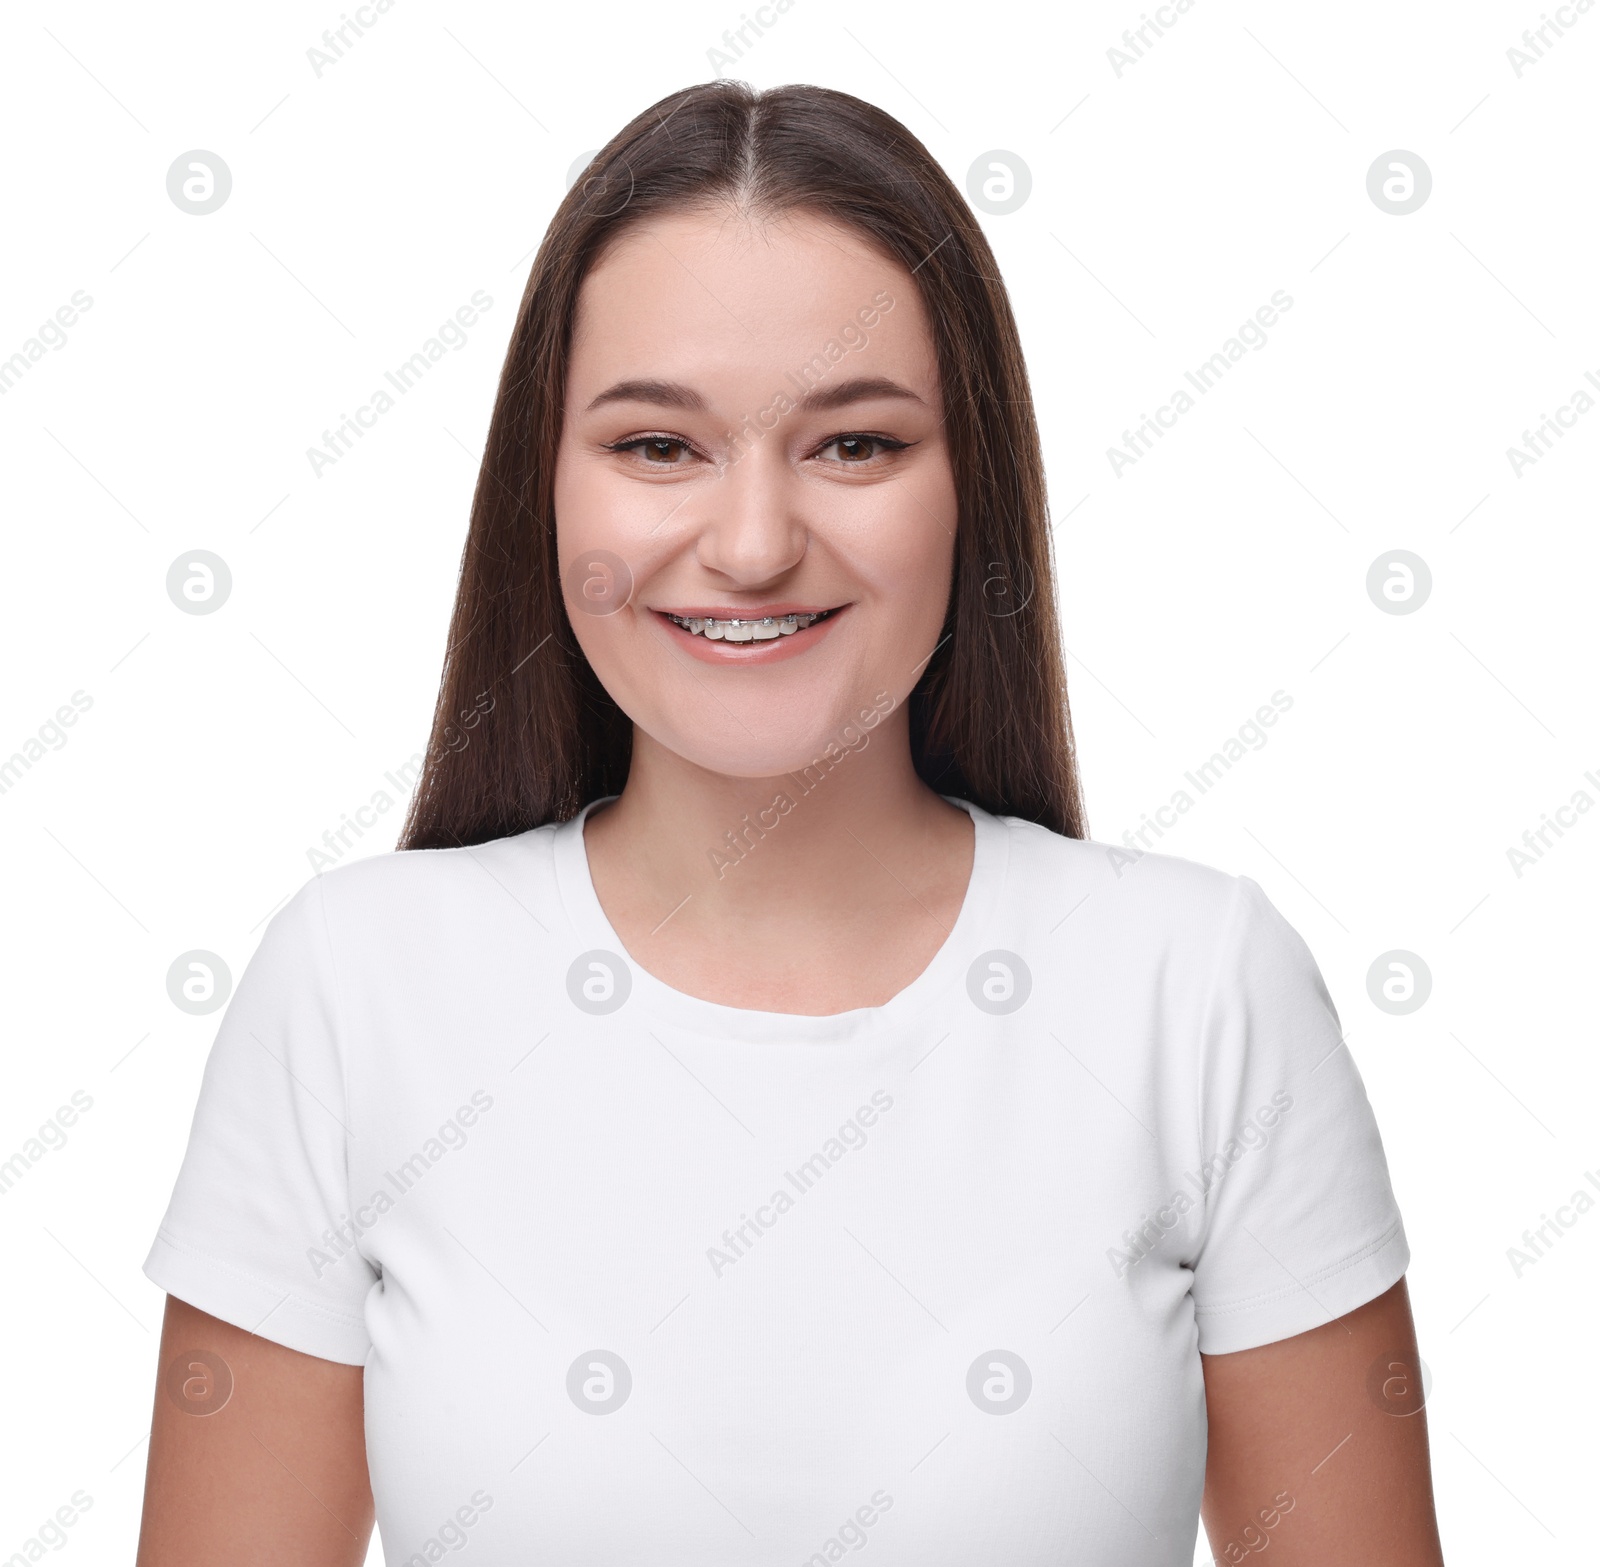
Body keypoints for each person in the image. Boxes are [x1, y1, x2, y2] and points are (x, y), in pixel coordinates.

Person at [137, 79, 1445, 1567]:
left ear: (974, 493)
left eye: (855, 446)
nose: (753, 545)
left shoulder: (1198, 990)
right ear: (544, 495)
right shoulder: (352, 991)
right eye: (656, 447)